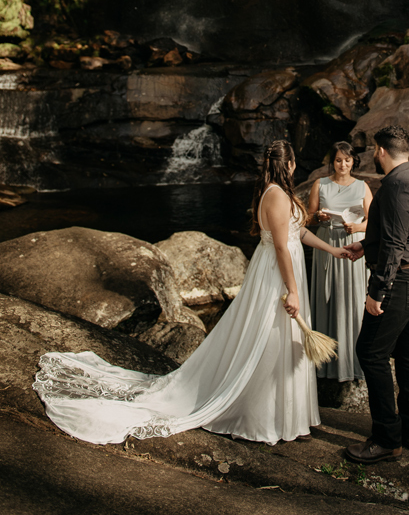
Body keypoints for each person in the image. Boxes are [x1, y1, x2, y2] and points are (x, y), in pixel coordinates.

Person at [33, 139, 351, 446]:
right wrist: (292, 290)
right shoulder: (277, 196)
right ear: (290, 164)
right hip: (277, 274)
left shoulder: (277, 192)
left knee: (283, 338)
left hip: (283, 269)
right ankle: (267, 418)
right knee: (271, 338)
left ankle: (292, 418)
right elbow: (281, 246)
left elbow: (298, 232)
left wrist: (332, 250)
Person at [344, 124, 409, 464]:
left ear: (380, 151)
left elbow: (395, 245)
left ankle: (386, 439)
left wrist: (377, 291)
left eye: (374, 150)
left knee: (370, 352)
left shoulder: (396, 186)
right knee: (407, 350)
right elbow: (406, 234)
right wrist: (366, 245)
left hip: (402, 279)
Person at [308, 141, 373, 382]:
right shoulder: (320, 184)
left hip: (353, 247)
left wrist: (357, 227)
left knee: (353, 300)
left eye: (347, 160)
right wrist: (318, 216)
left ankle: (353, 361)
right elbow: (308, 218)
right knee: (327, 298)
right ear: (332, 162)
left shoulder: (363, 187)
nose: (343, 165)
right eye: (338, 160)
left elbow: (374, 221)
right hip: (327, 244)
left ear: (353, 161)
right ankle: (325, 361)